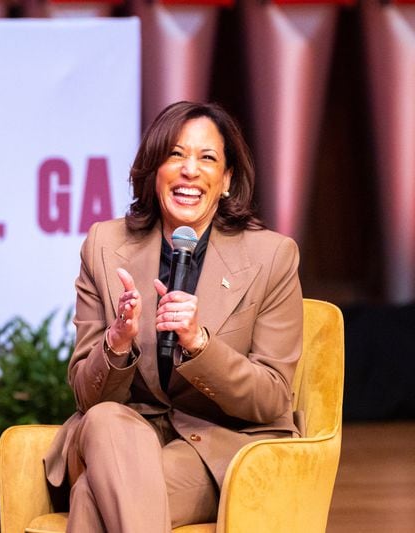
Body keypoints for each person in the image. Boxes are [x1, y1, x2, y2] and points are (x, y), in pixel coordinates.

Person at [43, 101, 304, 532]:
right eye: (175, 154)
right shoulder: (105, 245)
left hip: (216, 445)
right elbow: (87, 399)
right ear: (153, 171)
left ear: (226, 181)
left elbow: (273, 397)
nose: (189, 170)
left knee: (92, 495)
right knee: (105, 418)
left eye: (207, 158)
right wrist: (118, 343)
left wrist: (201, 344)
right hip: (123, 434)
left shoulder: (271, 256)